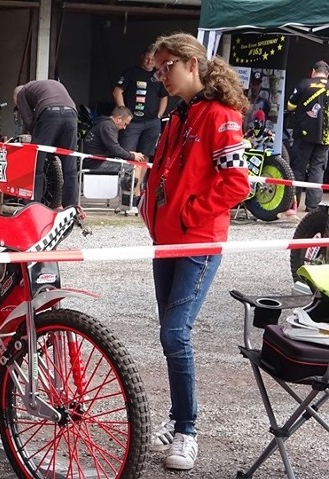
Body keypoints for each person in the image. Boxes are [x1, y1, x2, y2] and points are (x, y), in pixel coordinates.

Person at [140, 33, 250, 471]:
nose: (161, 75)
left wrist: (188, 216)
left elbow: (237, 183)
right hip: (169, 241)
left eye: (167, 66)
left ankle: (186, 428)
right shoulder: (181, 116)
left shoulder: (220, 116)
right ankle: (178, 420)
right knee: (171, 335)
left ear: (191, 63)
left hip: (195, 243)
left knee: (174, 333)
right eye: (157, 68)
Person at [13, 79, 79, 207]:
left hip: (49, 113)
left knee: (36, 164)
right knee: (70, 165)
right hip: (71, 114)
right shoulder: (45, 85)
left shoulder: (21, 93)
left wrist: (38, 138)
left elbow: (29, 121)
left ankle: (33, 205)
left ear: (16, 98)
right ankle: (71, 207)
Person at [286, 60, 329, 214]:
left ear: (313, 71)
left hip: (303, 135)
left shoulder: (304, 84)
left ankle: (293, 204)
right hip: (325, 137)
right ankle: (313, 207)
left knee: (298, 168)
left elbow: (290, 106)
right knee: (318, 170)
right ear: (327, 74)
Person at [113, 46, 169, 159]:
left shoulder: (159, 75)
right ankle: (127, 177)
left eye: (153, 60)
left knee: (146, 155)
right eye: (147, 59)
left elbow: (164, 96)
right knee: (126, 153)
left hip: (152, 122)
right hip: (132, 121)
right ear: (142, 57)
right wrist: (124, 113)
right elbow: (117, 91)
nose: (149, 62)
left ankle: (140, 178)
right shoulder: (131, 72)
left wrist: (159, 115)